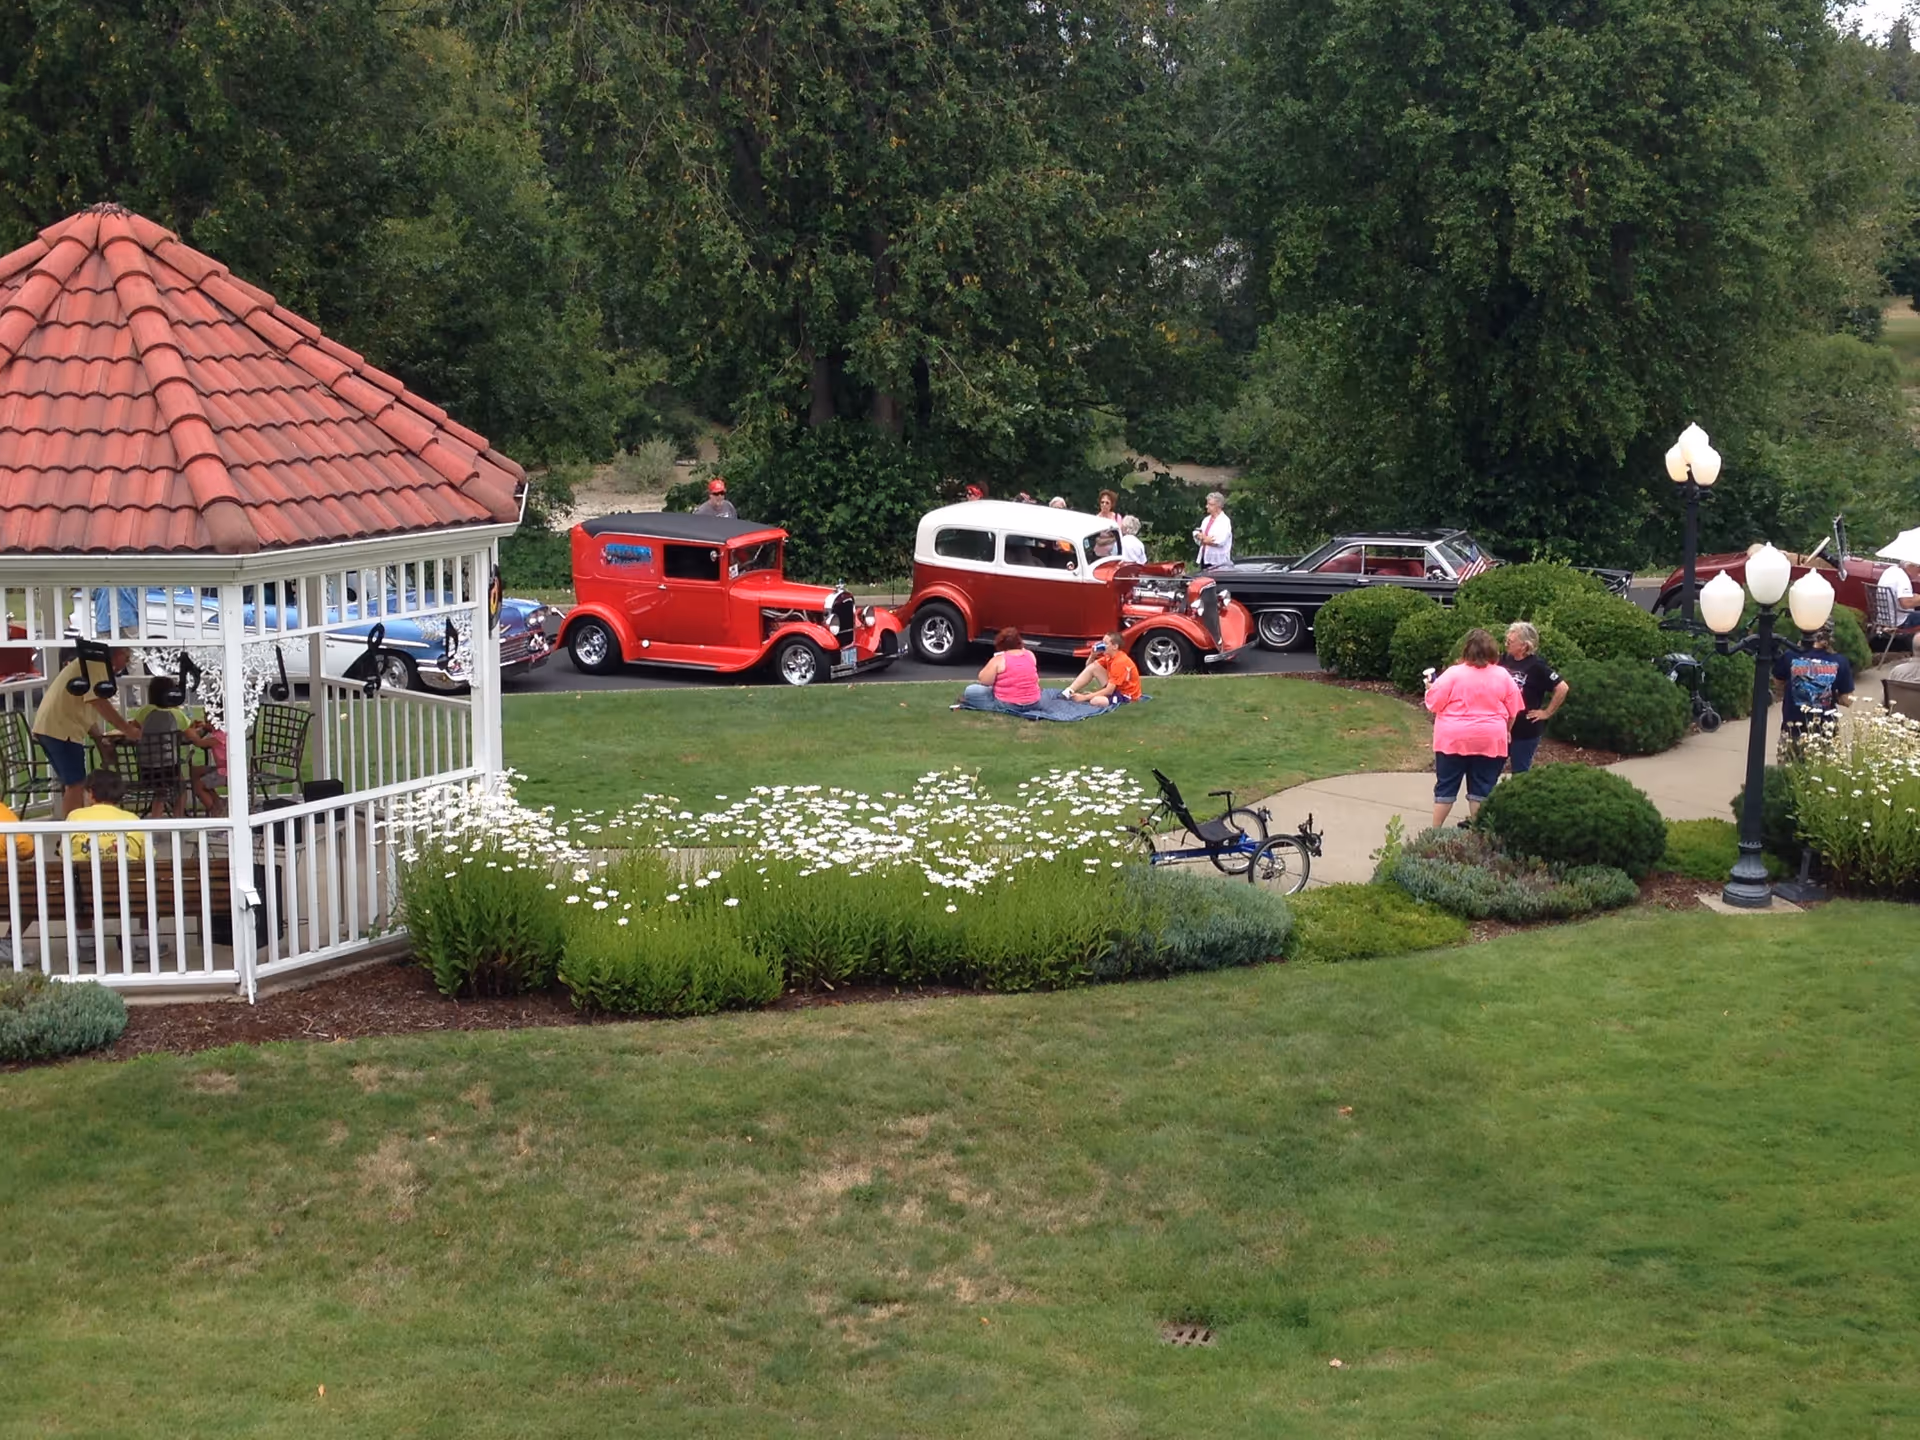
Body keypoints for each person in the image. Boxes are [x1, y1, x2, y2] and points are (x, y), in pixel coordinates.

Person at [1424, 628, 1523, 828]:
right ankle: (1478, 835)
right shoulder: (1503, 675)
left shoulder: (1453, 674)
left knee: (1446, 785)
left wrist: (1429, 689)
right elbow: (1514, 711)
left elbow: (1434, 704)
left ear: (1466, 650)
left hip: (1453, 738)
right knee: (1482, 787)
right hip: (1490, 737)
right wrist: (1507, 730)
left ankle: (1434, 832)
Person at [32, 647, 141, 817]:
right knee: (75, 784)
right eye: (126, 658)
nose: (126, 663)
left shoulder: (91, 662)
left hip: (52, 728)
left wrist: (100, 742)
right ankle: (72, 836)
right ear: (117, 654)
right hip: (61, 729)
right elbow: (99, 702)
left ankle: (76, 827)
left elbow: (87, 708)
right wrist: (127, 730)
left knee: (74, 783)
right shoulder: (96, 665)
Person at [136, 678, 224, 816]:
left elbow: (134, 729)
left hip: (145, 769)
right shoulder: (177, 714)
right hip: (168, 769)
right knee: (180, 787)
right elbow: (194, 738)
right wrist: (197, 729)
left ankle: (155, 823)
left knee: (161, 790)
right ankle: (179, 819)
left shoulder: (144, 711)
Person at [1775, 620, 1853, 755]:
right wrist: (1833, 695)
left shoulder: (1790, 656)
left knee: (1789, 769)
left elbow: (1778, 681)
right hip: (1825, 730)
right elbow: (1847, 700)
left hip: (1793, 728)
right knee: (1823, 772)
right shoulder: (1840, 661)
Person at [1500, 622, 1569, 774]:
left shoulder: (1537, 666)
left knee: (1520, 772)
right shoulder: (1504, 659)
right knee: (1491, 770)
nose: (1506, 645)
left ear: (1524, 646)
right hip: (1502, 726)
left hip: (1525, 730)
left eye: (1510, 642)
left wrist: (1547, 712)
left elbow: (1562, 687)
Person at [956, 627, 1042, 712]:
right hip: (1034, 703)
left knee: (971, 690)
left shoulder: (999, 659)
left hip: (1009, 704)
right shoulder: (1030, 655)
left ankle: (994, 706)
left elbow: (984, 681)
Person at [67, 770, 145, 861]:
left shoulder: (75, 817)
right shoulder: (133, 820)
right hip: (129, 874)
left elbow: (64, 854)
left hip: (84, 875)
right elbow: (147, 856)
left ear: (91, 793)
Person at [1062, 632, 1142, 708]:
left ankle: (1090, 697)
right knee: (1095, 666)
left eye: (1106, 643)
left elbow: (1109, 691)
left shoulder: (1120, 662)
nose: (1102, 645)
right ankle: (1069, 691)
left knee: (1095, 701)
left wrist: (1084, 697)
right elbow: (1089, 668)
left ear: (1115, 646)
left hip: (1127, 695)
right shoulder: (1109, 657)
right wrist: (1092, 655)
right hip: (1116, 689)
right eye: (1102, 642)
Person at [1193, 491, 1232, 568]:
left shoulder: (1224, 521)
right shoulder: (1206, 520)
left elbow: (1220, 541)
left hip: (1218, 562)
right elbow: (1198, 533)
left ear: (1218, 506)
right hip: (1205, 559)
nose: (1207, 506)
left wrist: (1204, 539)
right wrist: (1200, 536)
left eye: (1210, 504)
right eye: (1207, 504)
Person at [1877, 561, 1920, 630]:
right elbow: (1906, 603)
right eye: (1919, 569)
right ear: (1912, 566)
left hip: (1885, 619)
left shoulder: (1890, 570)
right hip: (1900, 621)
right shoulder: (1902, 578)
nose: (1918, 574)